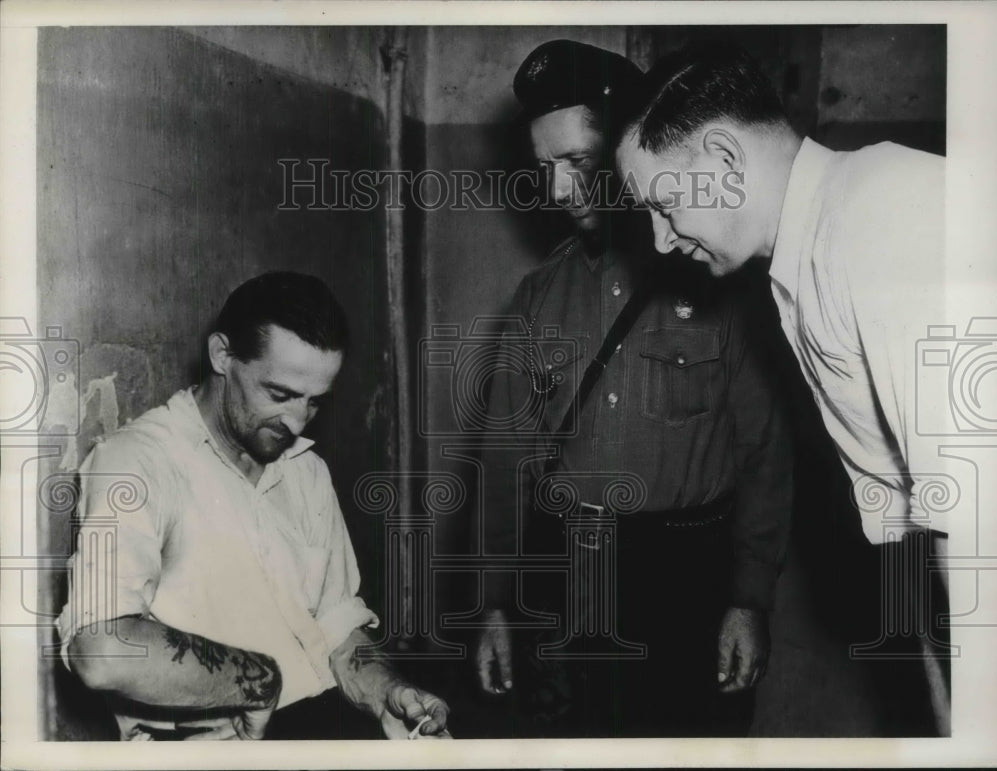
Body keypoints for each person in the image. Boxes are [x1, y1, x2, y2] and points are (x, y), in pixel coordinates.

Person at [614, 42, 951, 734]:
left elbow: (973, 518)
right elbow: (918, 542)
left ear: (725, 160)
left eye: (666, 204)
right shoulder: (805, 255)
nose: (660, 240)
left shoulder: (883, 211)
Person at [473, 40, 792, 738]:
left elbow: (766, 452)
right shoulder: (538, 298)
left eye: (578, 164)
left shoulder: (721, 282)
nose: (558, 191)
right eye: (544, 170)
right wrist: (496, 603)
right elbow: (504, 462)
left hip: (687, 581)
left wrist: (749, 598)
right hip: (566, 575)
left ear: (627, 148)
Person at [57, 271, 450, 740]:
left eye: (315, 401)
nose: (297, 420)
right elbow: (102, 650)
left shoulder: (306, 471)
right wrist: (258, 681)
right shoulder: (136, 462)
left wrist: (387, 691)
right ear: (222, 355)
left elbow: (337, 628)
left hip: (323, 727)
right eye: (279, 394)